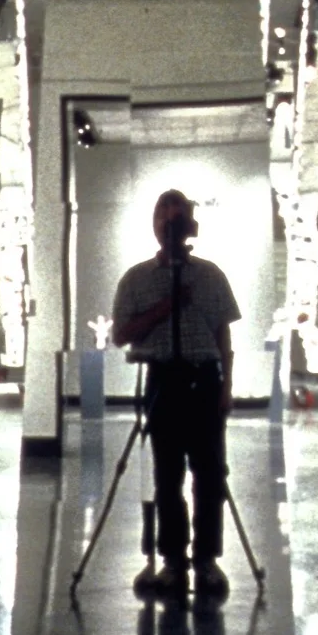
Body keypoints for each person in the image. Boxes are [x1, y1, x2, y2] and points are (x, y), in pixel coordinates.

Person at [109, 189, 241, 596]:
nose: (171, 225)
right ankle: (171, 559)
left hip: (204, 380)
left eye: (178, 218)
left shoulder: (211, 275)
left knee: (210, 475)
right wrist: (165, 306)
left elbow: (223, 334)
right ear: (154, 225)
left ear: (189, 226)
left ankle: (207, 560)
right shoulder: (136, 279)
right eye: (164, 218)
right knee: (167, 477)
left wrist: (227, 386)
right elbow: (121, 335)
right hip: (163, 381)